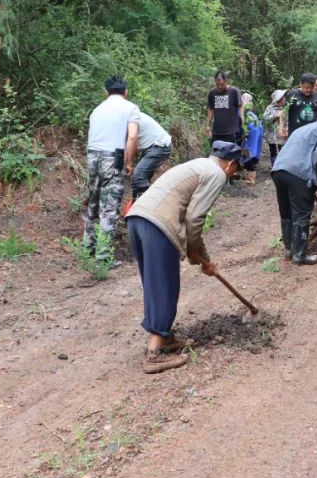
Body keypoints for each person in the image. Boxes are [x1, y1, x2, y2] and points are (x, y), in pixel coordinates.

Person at [126, 141, 243, 374]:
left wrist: (197, 256)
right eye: (235, 171)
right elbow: (194, 219)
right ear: (230, 164)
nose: (232, 176)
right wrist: (201, 256)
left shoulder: (197, 165)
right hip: (158, 225)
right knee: (165, 287)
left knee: (154, 284)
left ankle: (166, 337)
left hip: (137, 218)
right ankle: (153, 354)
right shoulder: (217, 174)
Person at [271, 110, 317, 265]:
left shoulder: (302, 129)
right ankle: (300, 255)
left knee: (287, 213)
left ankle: (289, 250)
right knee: (302, 215)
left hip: (278, 170)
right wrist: (312, 175)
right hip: (299, 172)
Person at [85, 75, 139, 265]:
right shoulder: (131, 108)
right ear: (126, 91)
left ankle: (88, 248)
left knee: (93, 201)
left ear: (106, 92)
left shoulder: (97, 110)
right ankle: (103, 257)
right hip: (112, 158)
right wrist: (129, 162)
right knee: (109, 207)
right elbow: (132, 137)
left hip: (92, 157)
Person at [129, 108, 173, 201]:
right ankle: (136, 204)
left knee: (139, 177)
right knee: (141, 178)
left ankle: (151, 204)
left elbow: (131, 140)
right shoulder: (129, 116)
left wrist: (128, 163)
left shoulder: (129, 118)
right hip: (152, 146)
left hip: (160, 146)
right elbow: (130, 144)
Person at [279, 73, 317, 138]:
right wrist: (281, 127)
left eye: (311, 88)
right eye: (306, 88)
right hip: (295, 134)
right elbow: (284, 112)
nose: (309, 90)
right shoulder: (292, 94)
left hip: (311, 134)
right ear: (300, 84)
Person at [206, 70, 244, 146]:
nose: (219, 87)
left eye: (222, 85)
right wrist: (208, 125)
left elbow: (240, 106)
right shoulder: (212, 93)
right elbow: (210, 109)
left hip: (232, 131)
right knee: (216, 153)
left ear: (226, 81)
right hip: (217, 131)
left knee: (231, 154)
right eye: (217, 85)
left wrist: (242, 119)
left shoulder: (234, 91)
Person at [240, 92, 263, 184]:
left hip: (249, 141)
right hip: (254, 142)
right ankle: (249, 178)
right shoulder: (254, 116)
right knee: (251, 159)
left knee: (248, 158)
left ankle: (250, 179)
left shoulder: (244, 115)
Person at [262, 89, 287, 165]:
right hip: (272, 135)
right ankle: (274, 166)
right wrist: (275, 115)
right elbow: (265, 118)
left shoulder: (286, 108)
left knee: (283, 150)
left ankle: (282, 166)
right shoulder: (270, 108)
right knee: (273, 151)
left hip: (282, 135)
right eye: (283, 98)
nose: (284, 99)